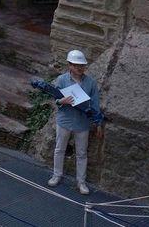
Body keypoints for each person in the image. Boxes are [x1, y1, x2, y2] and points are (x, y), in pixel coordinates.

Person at [47, 49, 104, 195]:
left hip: (82, 123)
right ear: (70, 65)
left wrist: (98, 123)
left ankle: (81, 182)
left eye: (82, 65)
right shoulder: (62, 80)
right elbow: (55, 99)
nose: (80, 68)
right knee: (59, 149)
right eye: (77, 65)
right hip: (65, 120)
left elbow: (95, 104)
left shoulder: (91, 83)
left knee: (82, 153)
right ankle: (56, 175)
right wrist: (62, 101)